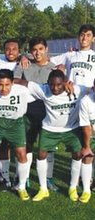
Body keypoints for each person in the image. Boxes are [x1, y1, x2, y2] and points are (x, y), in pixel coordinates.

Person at [16, 69, 88, 202]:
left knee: (77, 155)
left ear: (65, 82)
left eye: (59, 85)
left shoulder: (77, 90)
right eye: (52, 84)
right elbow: (23, 82)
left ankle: (72, 187)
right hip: (49, 129)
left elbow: (91, 89)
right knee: (41, 155)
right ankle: (43, 189)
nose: (55, 88)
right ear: (47, 83)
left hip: (71, 129)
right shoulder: (43, 89)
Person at [50, 23, 95, 188]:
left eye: (88, 35)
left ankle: (89, 176)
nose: (84, 38)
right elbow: (47, 61)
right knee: (78, 141)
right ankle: (80, 176)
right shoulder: (70, 56)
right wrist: (25, 57)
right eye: (82, 34)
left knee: (92, 139)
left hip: (91, 101)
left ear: (93, 38)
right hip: (72, 102)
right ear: (78, 37)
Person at [14, 37, 58, 191]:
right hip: (28, 111)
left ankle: (48, 178)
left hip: (48, 112)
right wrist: (22, 57)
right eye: (34, 50)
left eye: (40, 49)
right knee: (27, 144)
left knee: (48, 147)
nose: (37, 52)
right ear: (30, 51)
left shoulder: (54, 69)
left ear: (46, 49)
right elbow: (14, 81)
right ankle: (23, 177)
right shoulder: (25, 64)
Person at [0, 69, 33, 201]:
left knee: (22, 153)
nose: (3, 88)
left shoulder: (22, 90)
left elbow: (40, 90)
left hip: (16, 124)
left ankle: (21, 187)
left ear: (12, 83)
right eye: (0, 85)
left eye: (7, 85)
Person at [78, 84, 95, 203]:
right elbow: (86, 126)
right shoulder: (85, 101)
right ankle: (86, 190)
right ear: (94, 88)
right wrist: (87, 146)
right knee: (88, 156)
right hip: (91, 133)